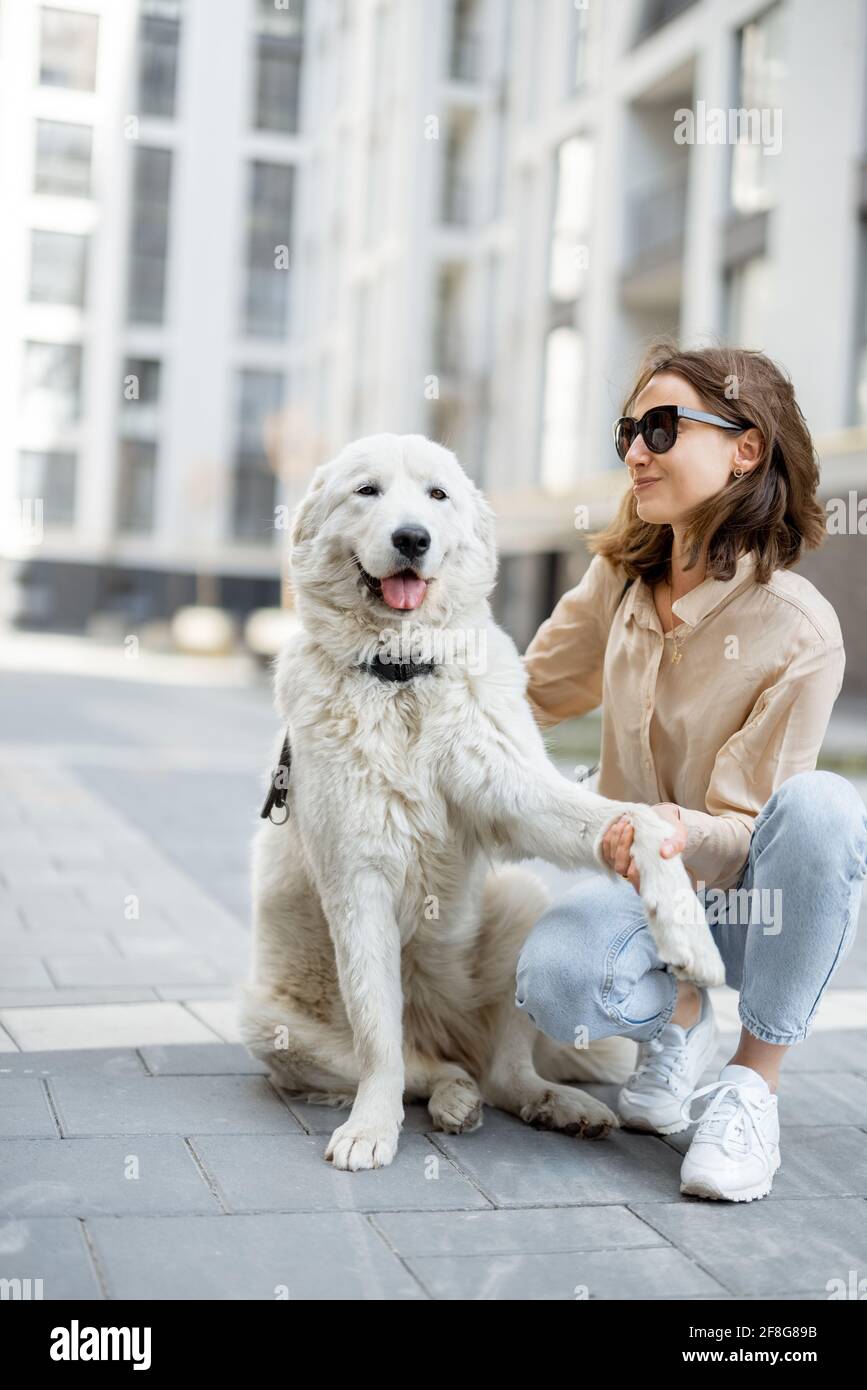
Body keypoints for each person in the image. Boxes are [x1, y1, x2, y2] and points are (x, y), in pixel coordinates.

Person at [515, 340, 867, 1203]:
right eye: (627, 431)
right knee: (554, 981)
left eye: (662, 427)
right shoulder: (617, 582)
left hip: (748, 902)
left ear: (744, 447)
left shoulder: (799, 627)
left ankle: (752, 1082)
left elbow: (750, 831)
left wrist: (669, 829)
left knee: (823, 806)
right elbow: (520, 699)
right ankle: (678, 1018)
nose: (636, 450)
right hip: (637, 886)